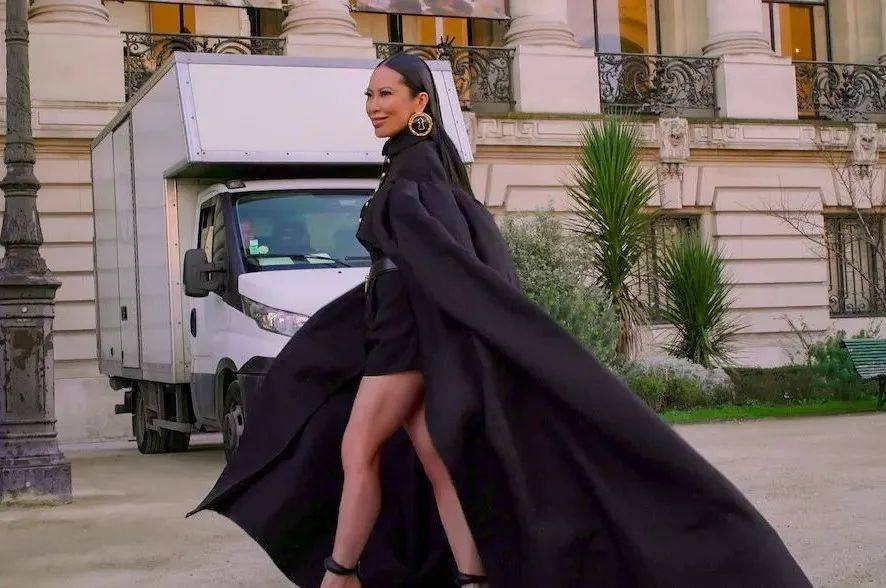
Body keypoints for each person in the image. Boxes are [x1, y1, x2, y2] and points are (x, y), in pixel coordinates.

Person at [188, 54, 811, 588]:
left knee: (358, 449)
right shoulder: (416, 166)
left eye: (386, 95)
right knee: (438, 462)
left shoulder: (415, 172)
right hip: (406, 338)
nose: (374, 106)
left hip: (401, 345)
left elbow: (438, 264)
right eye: (369, 96)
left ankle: (340, 574)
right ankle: (473, 579)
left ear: (419, 102)